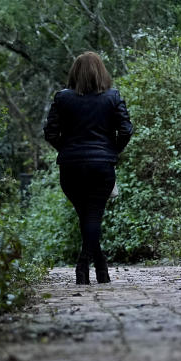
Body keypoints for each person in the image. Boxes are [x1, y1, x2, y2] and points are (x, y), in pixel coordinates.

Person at [44, 51, 133, 285]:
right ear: (101, 72)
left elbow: (50, 132)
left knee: (87, 217)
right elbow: (126, 130)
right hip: (101, 168)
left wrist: (67, 150)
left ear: (74, 73)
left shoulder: (62, 98)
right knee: (92, 217)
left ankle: (86, 268)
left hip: (71, 170)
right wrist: (111, 151)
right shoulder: (112, 97)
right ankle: (97, 267)